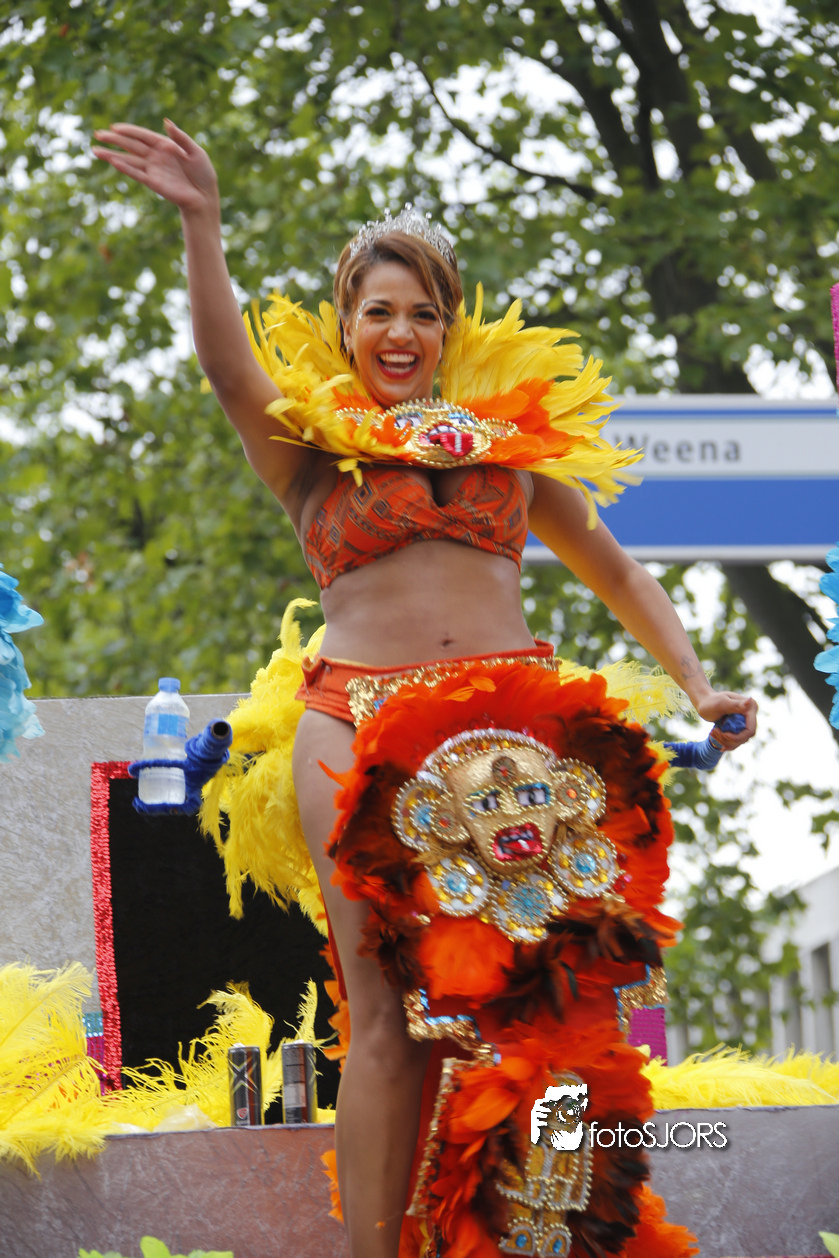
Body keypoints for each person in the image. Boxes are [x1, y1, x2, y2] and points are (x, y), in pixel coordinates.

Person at [93, 121, 756, 1258]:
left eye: (421, 313)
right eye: (377, 311)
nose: (399, 333)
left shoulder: (511, 452)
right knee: (385, 1015)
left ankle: (537, 1239)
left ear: (448, 329)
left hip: (511, 741)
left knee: (547, 1008)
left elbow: (617, 571)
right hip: (351, 718)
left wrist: (695, 685)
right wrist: (203, 225)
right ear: (346, 325)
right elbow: (226, 365)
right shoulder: (305, 451)